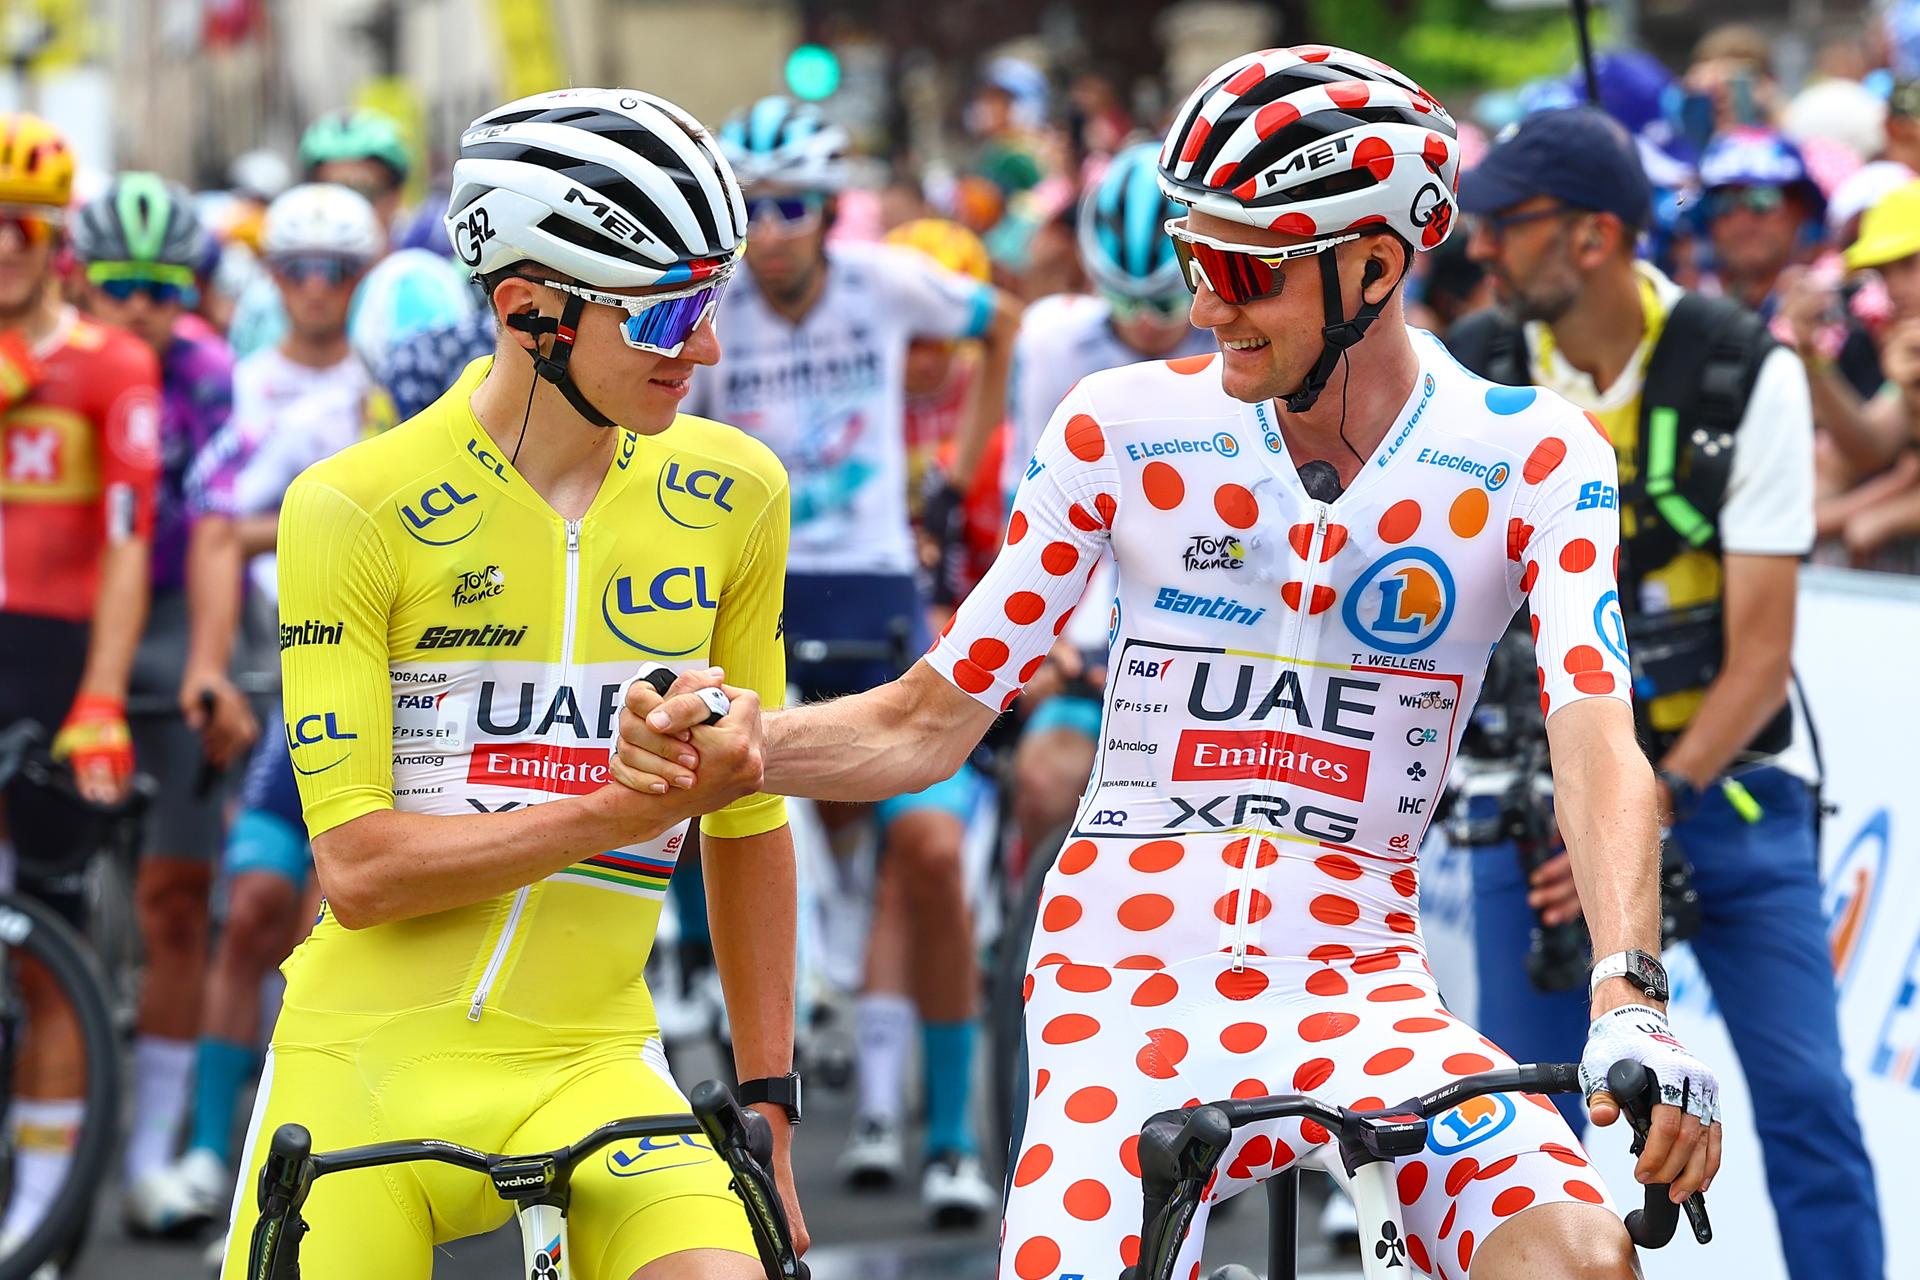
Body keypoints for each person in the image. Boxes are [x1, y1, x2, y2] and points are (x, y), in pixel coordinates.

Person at [624, 47, 1720, 1280]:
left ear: (1376, 260)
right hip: (1122, 986)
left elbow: (1595, 729)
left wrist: (1630, 993)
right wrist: (746, 741)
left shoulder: (1532, 455)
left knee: (1582, 1260)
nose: (1205, 303)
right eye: (1198, 259)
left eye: (1244, 268)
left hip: (1364, 987)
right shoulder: (1123, 424)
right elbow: (927, 722)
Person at [215, 86, 804, 1280]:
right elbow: (362, 869)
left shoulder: (737, 491)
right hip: (367, 1060)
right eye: (667, 312)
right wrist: (617, 813)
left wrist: (768, 1103)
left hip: (593, 1056)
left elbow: (748, 810)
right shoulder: (351, 505)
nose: (706, 347)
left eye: (712, 299)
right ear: (529, 310)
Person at [1453, 105, 1883, 1280]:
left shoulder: (1749, 369)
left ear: (1593, 237)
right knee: (1516, 1136)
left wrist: (1649, 808)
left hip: (1728, 783)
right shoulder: (1472, 371)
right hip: (1545, 814)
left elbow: (1759, 657)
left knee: (1805, 1098)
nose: (1478, 247)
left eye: (1505, 224)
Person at [688, 94, 1023, 1223]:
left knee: (925, 845)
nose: (775, 231)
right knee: (770, 837)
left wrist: (954, 469)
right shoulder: (717, 303)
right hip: (759, 593)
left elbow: (1001, 321)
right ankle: (834, 1096)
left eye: (795, 208)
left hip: (876, 583)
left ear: (831, 214)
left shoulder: (884, 281)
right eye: (758, 211)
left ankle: (944, 1136)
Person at [149, 183, 394, 1231]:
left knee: (319, 930)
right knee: (247, 909)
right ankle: (208, 1147)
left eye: (335, 271)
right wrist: (210, 664)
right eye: (291, 267)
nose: (311, 290)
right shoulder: (242, 385)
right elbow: (215, 531)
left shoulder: (390, 383)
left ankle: (310, 1157)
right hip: (275, 670)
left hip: (377, 683)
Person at [67, 173, 262, 1234]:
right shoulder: (50, 367)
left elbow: (224, 528)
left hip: (181, 627)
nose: (139, 303)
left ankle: (154, 1154)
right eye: (116, 283)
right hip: (67, 621)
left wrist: (216, 664)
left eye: (162, 284)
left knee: (177, 901)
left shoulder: (209, 372)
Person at [0, 114, 164, 1256]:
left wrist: (101, 694)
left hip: (55, 660)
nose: (0, 247)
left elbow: (125, 541)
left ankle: (38, 1218)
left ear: (54, 240)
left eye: (19, 228)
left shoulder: (115, 365)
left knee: (48, 939)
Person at [1000, 141, 1215, 858]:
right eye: (1123, 298)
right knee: (1049, 779)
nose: (1149, 322)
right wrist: (1044, 637)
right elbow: (1035, 508)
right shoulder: (1052, 341)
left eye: (1166, 299)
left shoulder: (1238, 343)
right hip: (1089, 615)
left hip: (1210, 616)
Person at [1801, 180, 1920, 566]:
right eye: (1885, 272)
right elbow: (1871, 445)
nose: (1896, 287)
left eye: (1909, 264)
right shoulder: (1908, 344)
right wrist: (1812, 359)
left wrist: (1892, 511)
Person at [1697, 127, 1825, 317]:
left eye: (1764, 199)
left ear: (1800, 210)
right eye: (1724, 202)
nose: (1744, 220)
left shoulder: (1840, 314)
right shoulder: (1688, 316)